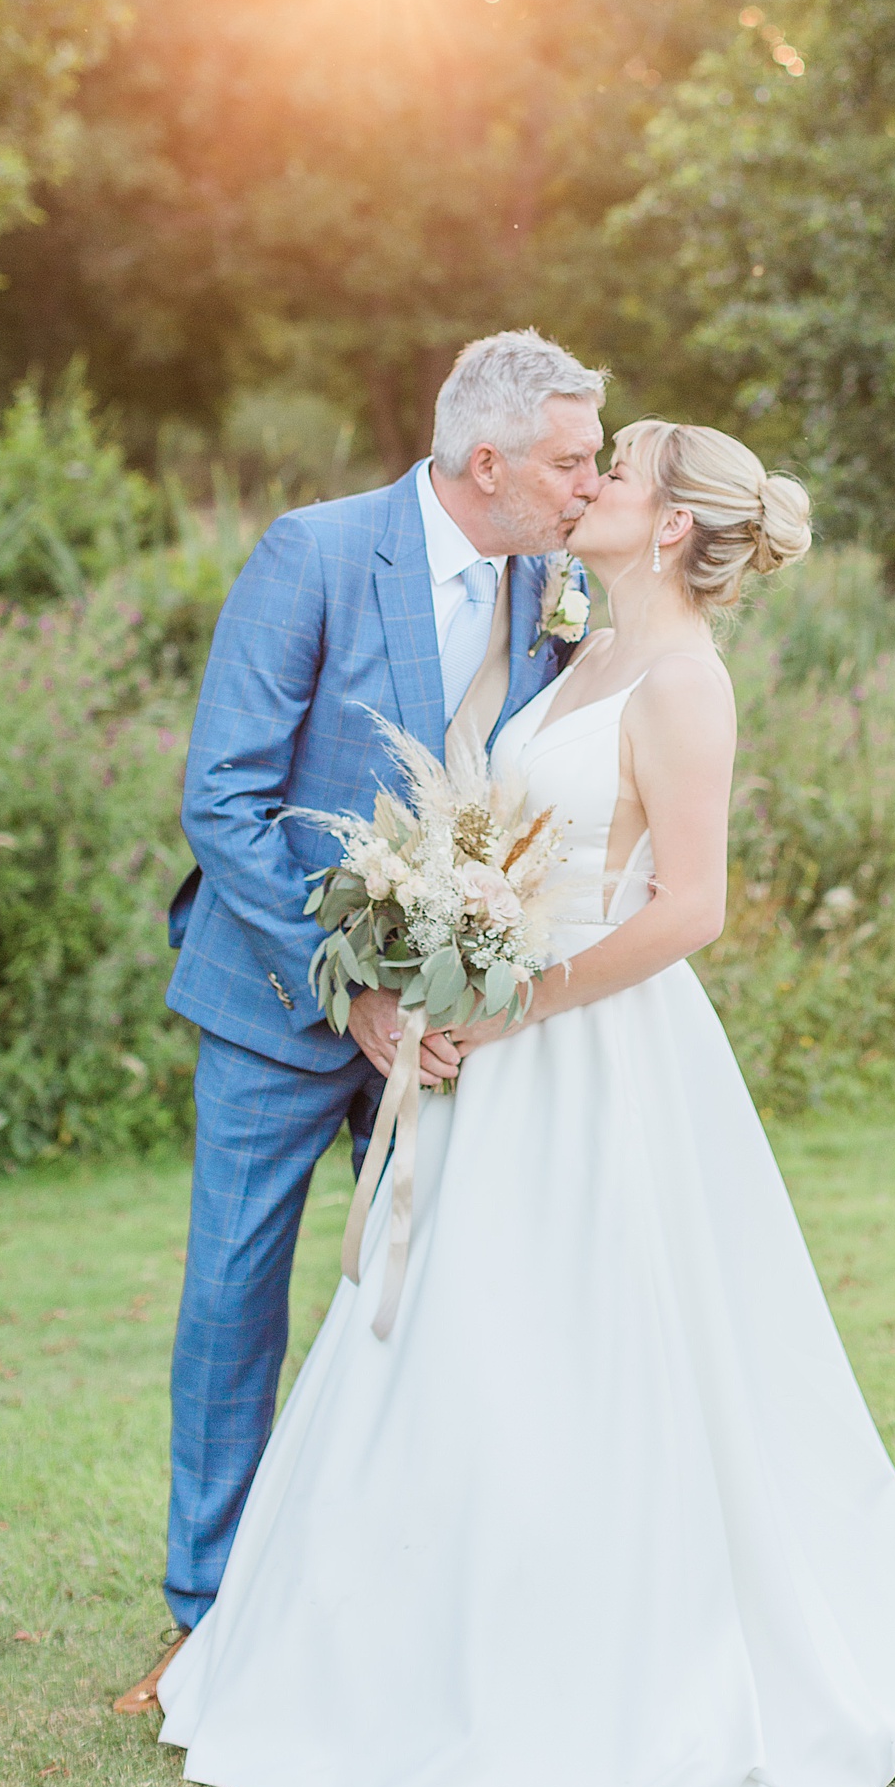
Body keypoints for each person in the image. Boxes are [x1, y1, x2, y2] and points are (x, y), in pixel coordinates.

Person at [150, 419, 895, 1787]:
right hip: (499, 1044)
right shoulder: (584, 650)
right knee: (452, 1337)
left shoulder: (683, 679)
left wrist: (523, 995)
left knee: (595, 1344)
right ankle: (406, 1643)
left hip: (592, 1049)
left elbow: (691, 905)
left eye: (613, 472)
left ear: (670, 523)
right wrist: (444, 960)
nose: (589, 485)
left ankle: (601, 1661)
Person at [112, 331, 607, 1715]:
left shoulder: (556, 586)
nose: (592, 482)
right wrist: (364, 985)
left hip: (446, 1025)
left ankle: (393, 1597)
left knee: (435, 1297)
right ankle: (207, 1618)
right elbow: (224, 798)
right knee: (235, 1296)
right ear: (489, 459)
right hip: (280, 1005)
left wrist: (460, 981)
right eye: (572, 459)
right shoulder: (315, 555)